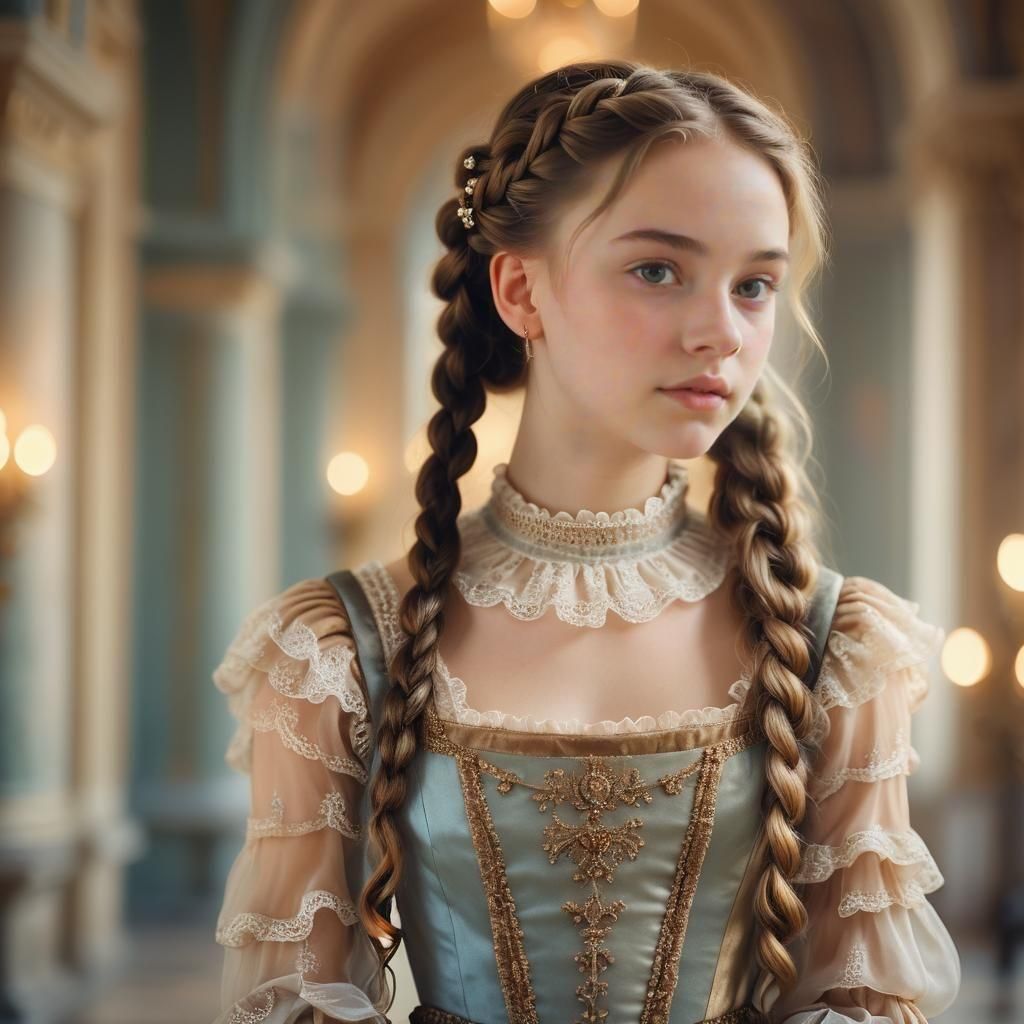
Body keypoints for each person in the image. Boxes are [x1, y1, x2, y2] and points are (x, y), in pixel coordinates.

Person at [210, 61, 962, 1023]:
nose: (720, 333)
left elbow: (864, 1001)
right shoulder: (338, 654)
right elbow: (294, 1001)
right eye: (658, 270)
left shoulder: (837, 648)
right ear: (521, 291)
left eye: (755, 285)